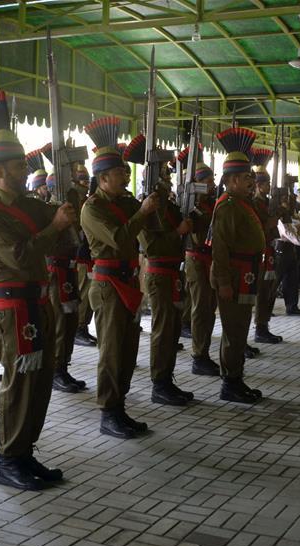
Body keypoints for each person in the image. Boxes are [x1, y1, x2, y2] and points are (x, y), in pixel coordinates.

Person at [0, 89, 75, 490]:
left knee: (39, 380)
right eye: (17, 165)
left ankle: (26, 450)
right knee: (17, 383)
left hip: (36, 302)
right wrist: (55, 227)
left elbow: (62, 219)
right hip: (10, 308)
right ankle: (8, 458)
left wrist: (69, 196)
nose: (24, 169)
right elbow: (19, 255)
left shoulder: (29, 204)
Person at [80, 116, 159, 438]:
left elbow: (147, 233)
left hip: (126, 280)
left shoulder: (125, 202)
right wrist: (142, 213)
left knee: (127, 349)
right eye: (118, 173)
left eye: (125, 171)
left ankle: (120, 406)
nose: (125, 175)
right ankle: (108, 411)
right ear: (102, 179)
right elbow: (122, 239)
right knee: (111, 351)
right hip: (108, 284)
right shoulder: (93, 208)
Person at [124, 134, 195, 406]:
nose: (168, 175)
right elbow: (151, 246)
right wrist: (178, 232)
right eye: (164, 172)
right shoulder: (147, 207)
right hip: (159, 273)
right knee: (163, 330)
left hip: (172, 273)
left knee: (173, 329)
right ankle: (159, 383)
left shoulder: (168, 206)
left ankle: (167, 379)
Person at [211, 127, 265, 404]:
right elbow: (219, 248)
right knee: (233, 331)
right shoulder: (228, 206)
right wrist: (222, 283)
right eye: (246, 178)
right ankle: (229, 383)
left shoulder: (243, 203)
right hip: (233, 275)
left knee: (240, 328)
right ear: (231, 180)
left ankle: (236, 378)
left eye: (251, 177)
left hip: (245, 273)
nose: (251, 182)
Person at [40, 144, 89, 395]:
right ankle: (56, 370)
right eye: (70, 169)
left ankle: (63, 366)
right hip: (56, 270)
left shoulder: (74, 202)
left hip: (69, 269)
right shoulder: (49, 209)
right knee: (59, 322)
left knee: (69, 322)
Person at [182, 152, 219, 376]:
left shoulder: (209, 203)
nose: (212, 184)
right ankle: (198, 355)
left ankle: (203, 352)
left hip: (209, 257)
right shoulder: (191, 205)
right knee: (200, 308)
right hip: (196, 258)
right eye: (208, 181)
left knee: (209, 309)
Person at [250, 148, 283, 344]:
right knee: (262, 292)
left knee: (269, 291)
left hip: (270, 250)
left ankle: (264, 325)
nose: (268, 187)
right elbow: (260, 226)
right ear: (258, 185)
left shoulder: (267, 202)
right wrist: (271, 220)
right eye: (266, 184)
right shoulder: (254, 203)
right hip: (260, 252)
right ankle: (260, 328)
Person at [73, 163, 98, 347]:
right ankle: (79, 328)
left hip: (88, 255)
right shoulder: (75, 201)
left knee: (88, 293)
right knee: (82, 291)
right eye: (81, 179)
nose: (85, 183)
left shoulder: (87, 200)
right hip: (80, 255)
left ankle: (84, 326)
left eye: (86, 180)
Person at [276, 194, 300, 316]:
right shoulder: (279, 215)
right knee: (274, 281)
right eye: (287, 201)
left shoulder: (291, 215)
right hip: (281, 248)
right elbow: (287, 233)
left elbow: (296, 229)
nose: (290, 204)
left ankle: (292, 307)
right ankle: (266, 308)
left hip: (290, 248)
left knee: (291, 280)